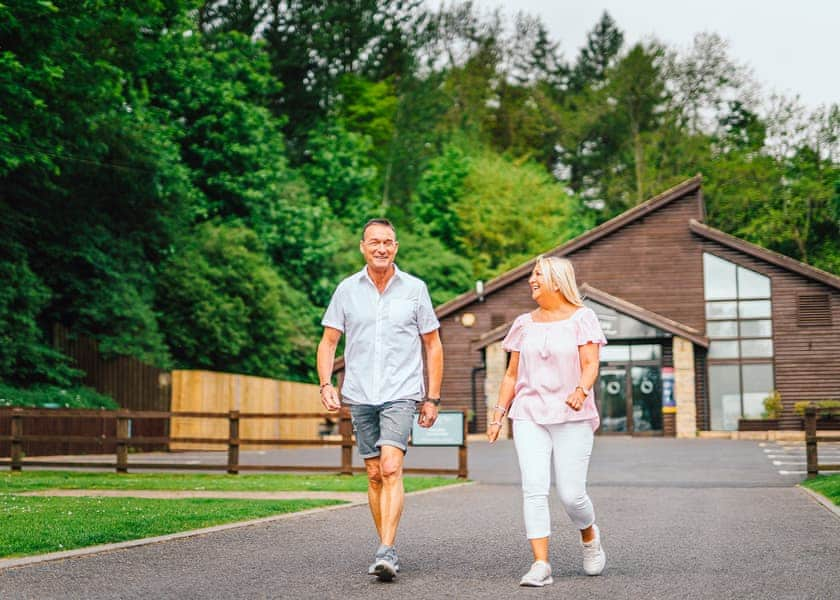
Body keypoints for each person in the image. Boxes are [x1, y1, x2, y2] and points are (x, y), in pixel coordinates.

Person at [317, 218, 443, 582]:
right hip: (359, 394)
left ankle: (386, 550)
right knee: (373, 474)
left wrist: (431, 397)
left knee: (390, 467)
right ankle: (385, 545)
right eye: (375, 242)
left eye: (388, 242)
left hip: (401, 393)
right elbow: (328, 342)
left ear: (396, 247)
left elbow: (433, 345)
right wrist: (326, 383)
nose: (382, 248)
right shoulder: (346, 290)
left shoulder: (415, 290)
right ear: (363, 247)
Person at [488, 255, 607, 587]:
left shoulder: (583, 319)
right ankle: (541, 564)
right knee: (534, 488)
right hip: (528, 413)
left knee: (571, 494)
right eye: (531, 274)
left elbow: (590, 364)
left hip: (572, 414)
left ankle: (589, 534)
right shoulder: (523, 324)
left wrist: (582, 391)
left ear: (557, 280)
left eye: (537, 274)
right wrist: (498, 414)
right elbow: (511, 375)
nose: (531, 280)